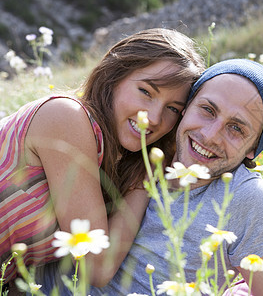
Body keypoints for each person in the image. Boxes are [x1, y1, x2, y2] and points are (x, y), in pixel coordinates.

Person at [0, 28, 205, 291]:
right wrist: (146, 177)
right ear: (113, 76)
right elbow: (96, 268)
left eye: (173, 109)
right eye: (146, 91)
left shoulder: (113, 161)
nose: (154, 118)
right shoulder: (66, 117)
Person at [89, 59, 263, 295]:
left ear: (253, 148)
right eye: (208, 110)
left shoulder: (251, 202)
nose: (210, 136)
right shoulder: (138, 149)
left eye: (236, 128)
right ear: (185, 108)